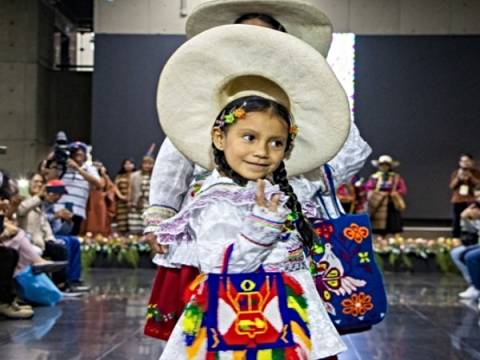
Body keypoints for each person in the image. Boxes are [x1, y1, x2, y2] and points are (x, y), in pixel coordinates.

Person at [143, 1, 371, 345]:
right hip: (220, 221)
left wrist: (299, 177)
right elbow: (176, 155)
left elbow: (342, 150)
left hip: (284, 220)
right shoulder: (212, 96)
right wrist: (162, 212)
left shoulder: (302, 98)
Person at [16, 173, 70, 289]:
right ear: (29, 184)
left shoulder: (40, 205)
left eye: (41, 182)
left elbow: (45, 225)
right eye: (35, 181)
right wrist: (39, 197)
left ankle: (62, 284)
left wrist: (51, 239)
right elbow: (21, 210)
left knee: (60, 249)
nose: (39, 184)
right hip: (27, 243)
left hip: (40, 242)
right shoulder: (23, 200)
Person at [44, 180, 87, 291]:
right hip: (42, 236)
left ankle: (74, 278)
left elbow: (59, 230)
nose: (58, 197)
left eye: (60, 195)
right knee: (64, 242)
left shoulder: (53, 207)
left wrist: (68, 221)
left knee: (74, 240)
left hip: (53, 235)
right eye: (56, 194)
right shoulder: (40, 204)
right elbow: (39, 220)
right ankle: (63, 280)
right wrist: (54, 217)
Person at [55, 142, 102, 235]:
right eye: (76, 152)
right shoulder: (62, 167)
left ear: (85, 156)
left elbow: (98, 184)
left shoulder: (89, 169)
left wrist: (78, 169)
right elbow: (48, 174)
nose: (79, 154)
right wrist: (56, 153)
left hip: (78, 211)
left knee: (71, 238)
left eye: (81, 153)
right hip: (60, 209)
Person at [450, 185, 480, 299]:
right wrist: (466, 219)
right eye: (476, 196)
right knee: (457, 253)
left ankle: (478, 287)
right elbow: (471, 231)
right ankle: (473, 284)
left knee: (470, 257)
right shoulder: (474, 208)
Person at [366, 155, 407, 235]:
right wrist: (376, 194)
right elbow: (368, 187)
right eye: (382, 165)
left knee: (393, 223)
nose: (384, 167)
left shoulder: (396, 177)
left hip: (391, 204)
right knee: (378, 225)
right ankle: (380, 238)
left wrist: (395, 193)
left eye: (386, 165)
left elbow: (402, 189)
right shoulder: (374, 177)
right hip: (378, 204)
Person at [449, 154, 480, 238]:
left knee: (471, 219)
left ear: (471, 162)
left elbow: (477, 185)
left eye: (467, 161)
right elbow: (452, 186)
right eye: (462, 161)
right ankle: (456, 238)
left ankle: (471, 237)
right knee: (457, 220)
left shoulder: (476, 173)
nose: (464, 163)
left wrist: (470, 177)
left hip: (471, 200)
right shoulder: (456, 172)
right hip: (458, 199)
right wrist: (458, 178)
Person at [81, 161, 115, 236]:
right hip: (88, 200)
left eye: (99, 165)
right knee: (89, 219)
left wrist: (105, 194)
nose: (97, 167)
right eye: (95, 165)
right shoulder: (87, 176)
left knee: (101, 218)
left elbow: (111, 188)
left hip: (100, 200)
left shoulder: (104, 177)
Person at [128, 146, 155, 234]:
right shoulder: (135, 175)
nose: (147, 166)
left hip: (149, 204)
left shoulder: (155, 176)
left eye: (150, 163)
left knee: (148, 227)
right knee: (136, 227)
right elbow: (131, 189)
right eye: (145, 163)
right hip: (137, 204)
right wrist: (130, 201)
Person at [114, 159, 135, 233]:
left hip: (134, 203)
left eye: (130, 163)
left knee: (133, 223)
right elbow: (115, 187)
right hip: (121, 203)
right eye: (126, 164)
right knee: (122, 224)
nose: (128, 165)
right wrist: (121, 196)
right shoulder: (119, 176)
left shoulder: (137, 175)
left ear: (133, 165)